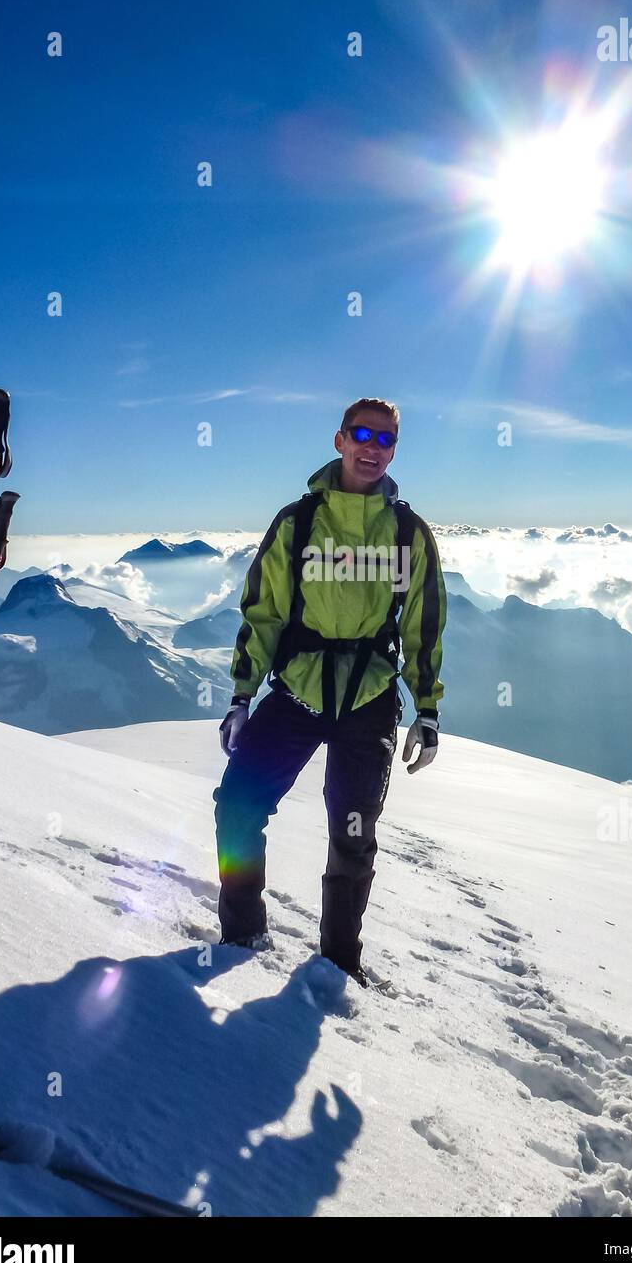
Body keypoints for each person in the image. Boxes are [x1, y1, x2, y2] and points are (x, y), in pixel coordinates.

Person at [214, 398, 447, 986]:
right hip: (296, 691)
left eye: (386, 439)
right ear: (340, 439)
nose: (373, 448)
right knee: (238, 805)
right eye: (362, 435)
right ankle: (242, 935)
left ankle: (339, 962)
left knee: (353, 832)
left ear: (395, 449)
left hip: (368, 700)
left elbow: (423, 624)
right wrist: (241, 696)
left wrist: (427, 710)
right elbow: (263, 610)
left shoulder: (407, 535)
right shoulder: (297, 523)